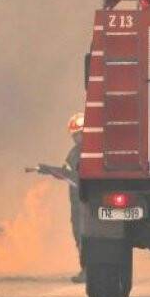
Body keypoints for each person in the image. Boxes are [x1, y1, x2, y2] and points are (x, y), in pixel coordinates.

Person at [65, 113, 85, 283]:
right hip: (77, 203)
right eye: (75, 135)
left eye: (79, 133)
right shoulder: (73, 153)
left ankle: (87, 270)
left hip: (84, 201)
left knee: (84, 234)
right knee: (78, 234)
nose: (77, 138)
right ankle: (85, 269)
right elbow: (67, 173)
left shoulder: (89, 151)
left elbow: (73, 175)